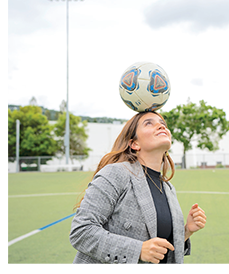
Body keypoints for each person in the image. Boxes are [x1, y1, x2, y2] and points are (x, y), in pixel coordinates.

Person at [71, 111, 207, 265]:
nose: (160, 126)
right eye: (149, 123)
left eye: (163, 124)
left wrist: (186, 231)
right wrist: (138, 250)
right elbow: (81, 231)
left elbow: (161, 250)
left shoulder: (168, 188)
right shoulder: (116, 173)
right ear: (134, 144)